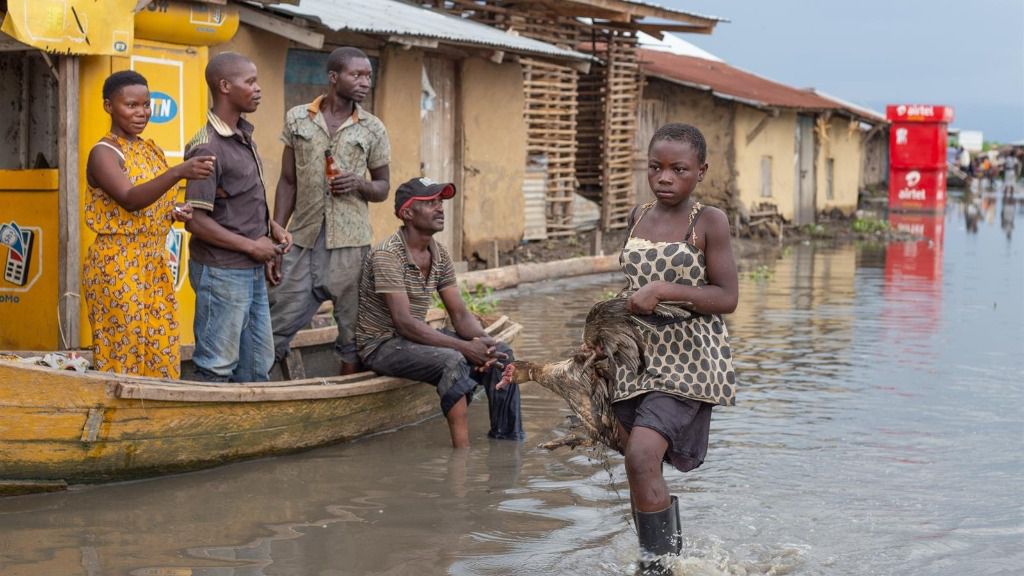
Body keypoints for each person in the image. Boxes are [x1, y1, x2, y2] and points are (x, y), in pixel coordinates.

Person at [613, 123, 738, 573]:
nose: (665, 178)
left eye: (678, 169)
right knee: (640, 464)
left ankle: (657, 567)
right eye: (656, 167)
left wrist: (666, 290)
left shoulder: (709, 221)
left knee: (642, 454)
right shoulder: (637, 216)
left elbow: (727, 297)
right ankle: (661, 562)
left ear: (700, 172)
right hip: (636, 359)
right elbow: (628, 289)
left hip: (689, 360)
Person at [356, 177, 524, 448]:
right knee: (453, 361)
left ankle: (508, 442)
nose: (440, 208)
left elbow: (459, 315)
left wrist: (484, 344)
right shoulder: (387, 255)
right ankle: (461, 454)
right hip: (382, 345)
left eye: (441, 201)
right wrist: (466, 349)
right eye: (430, 202)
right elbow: (404, 323)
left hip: (413, 339)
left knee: (503, 356)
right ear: (407, 213)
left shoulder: (440, 254)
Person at [83, 70, 215, 378]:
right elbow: (129, 198)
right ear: (108, 107)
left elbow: (151, 203)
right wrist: (178, 172)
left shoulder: (149, 149)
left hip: (153, 261)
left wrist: (173, 211)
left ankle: (154, 418)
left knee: (160, 344)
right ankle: (118, 422)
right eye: (131, 105)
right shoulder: (103, 152)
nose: (141, 112)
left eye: (146, 104)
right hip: (118, 264)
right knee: (123, 348)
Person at [269, 46, 390, 376]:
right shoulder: (298, 118)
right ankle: (255, 391)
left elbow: (382, 188)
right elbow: (287, 181)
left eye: (368, 75)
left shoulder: (373, 128)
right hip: (302, 239)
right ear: (334, 78)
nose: (365, 82)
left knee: (353, 330)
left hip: (351, 246)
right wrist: (275, 235)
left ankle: (348, 396)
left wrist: (357, 184)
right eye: (356, 75)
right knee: (274, 318)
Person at [183, 52, 291, 382]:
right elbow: (195, 221)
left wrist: (271, 231)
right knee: (216, 365)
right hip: (222, 271)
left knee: (257, 365)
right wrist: (251, 247)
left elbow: (238, 200)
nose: (258, 89)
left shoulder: (242, 136)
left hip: (249, 267)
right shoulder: (208, 146)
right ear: (225, 86)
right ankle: (205, 433)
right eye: (251, 82)